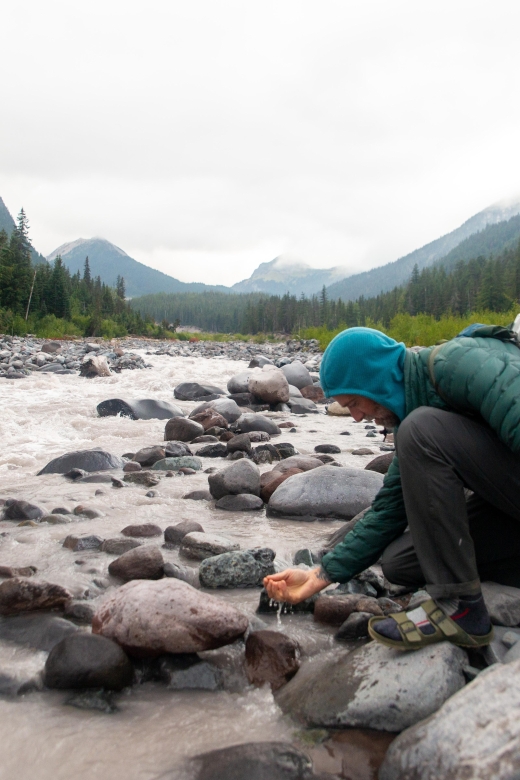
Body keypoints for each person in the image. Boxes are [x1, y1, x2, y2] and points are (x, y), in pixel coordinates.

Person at [264, 326, 520, 650]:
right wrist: (319, 576)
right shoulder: (416, 408)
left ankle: (461, 609)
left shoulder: (460, 365)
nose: (356, 418)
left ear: (378, 379)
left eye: (355, 402)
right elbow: (388, 511)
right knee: (402, 563)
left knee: (419, 431)